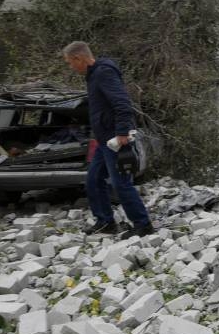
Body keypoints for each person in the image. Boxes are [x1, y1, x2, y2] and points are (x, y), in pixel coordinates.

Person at [62, 41, 154, 239]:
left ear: (79, 58)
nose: (70, 67)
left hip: (115, 139)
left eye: (70, 62)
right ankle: (105, 222)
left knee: (121, 184)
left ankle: (143, 224)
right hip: (104, 140)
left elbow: (122, 103)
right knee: (93, 180)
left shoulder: (104, 73)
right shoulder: (94, 75)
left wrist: (122, 132)